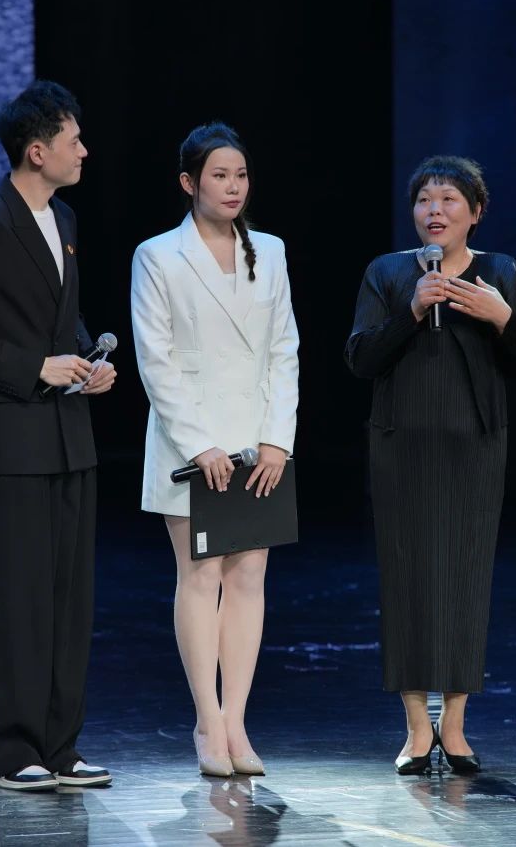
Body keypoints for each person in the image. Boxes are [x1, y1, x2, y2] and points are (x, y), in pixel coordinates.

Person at [0, 80, 116, 792]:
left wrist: (87, 359)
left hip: (69, 436)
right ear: (37, 151)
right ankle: (14, 751)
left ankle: (60, 745)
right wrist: (35, 367)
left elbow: (59, 316)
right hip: (11, 443)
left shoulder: (62, 216)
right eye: (73, 140)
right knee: (18, 601)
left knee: (68, 600)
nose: (84, 150)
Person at [344, 155, 516, 775]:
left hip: (474, 445)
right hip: (401, 445)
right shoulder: (388, 272)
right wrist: (411, 311)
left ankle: (455, 725)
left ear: (476, 212)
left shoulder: (501, 273)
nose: (434, 211)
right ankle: (416, 727)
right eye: (424, 200)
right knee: (406, 578)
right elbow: (359, 358)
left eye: (449, 200)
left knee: (465, 578)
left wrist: (502, 319)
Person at [131, 122, 300, 777]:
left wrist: (277, 438)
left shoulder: (271, 250)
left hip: (257, 444)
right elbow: (156, 358)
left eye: (241, 175)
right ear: (189, 182)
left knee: (249, 578)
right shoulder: (158, 255)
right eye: (219, 175)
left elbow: (284, 348)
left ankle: (236, 722)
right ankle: (206, 720)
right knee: (201, 576)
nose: (233, 187)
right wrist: (199, 443)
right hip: (189, 443)